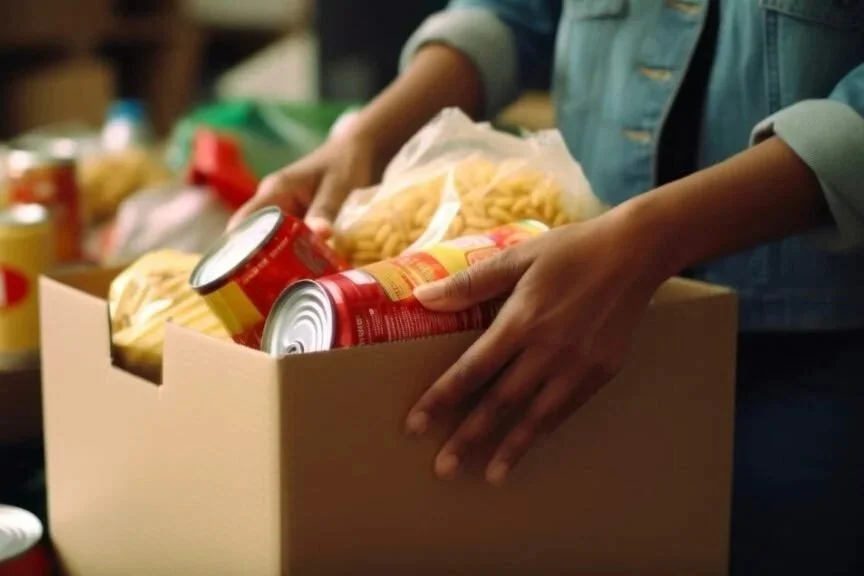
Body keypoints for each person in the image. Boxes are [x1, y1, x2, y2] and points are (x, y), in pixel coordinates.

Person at [230, 1, 864, 573]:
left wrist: (643, 241)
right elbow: (513, 12)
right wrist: (367, 133)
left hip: (816, 352)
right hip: (563, 322)